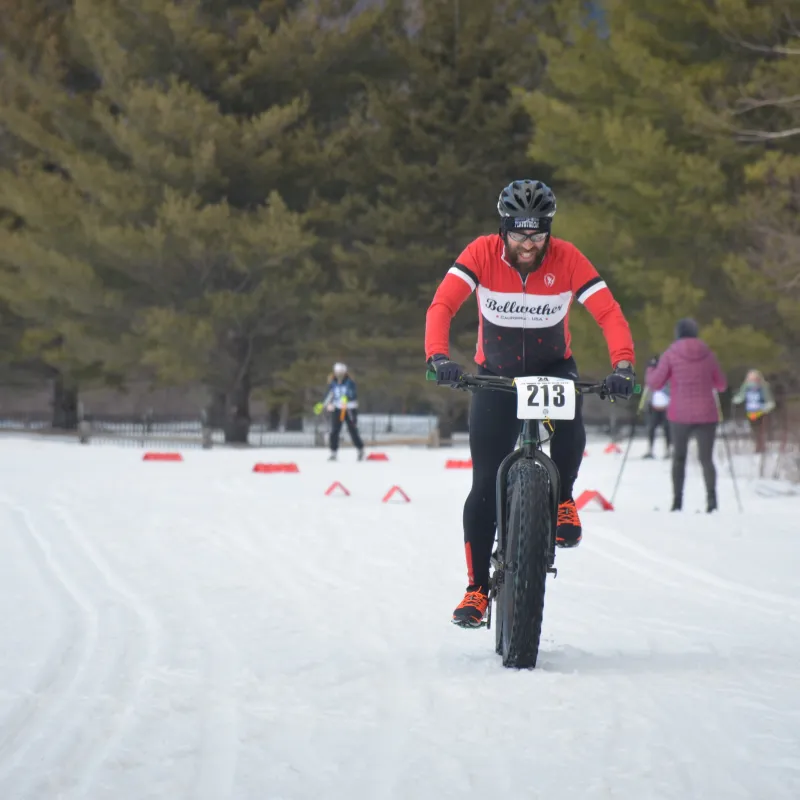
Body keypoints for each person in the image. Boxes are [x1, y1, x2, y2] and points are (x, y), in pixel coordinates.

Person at [425, 179, 636, 627]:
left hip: (553, 369)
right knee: (484, 484)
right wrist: (438, 356)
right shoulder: (480, 253)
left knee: (571, 418)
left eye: (538, 234)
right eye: (520, 235)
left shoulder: (568, 257)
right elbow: (442, 305)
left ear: (548, 230)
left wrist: (623, 366)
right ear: (504, 229)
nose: (528, 245)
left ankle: (562, 498)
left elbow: (608, 312)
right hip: (496, 375)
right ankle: (477, 589)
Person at [646, 319, 727, 513]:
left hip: (679, 414)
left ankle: (677, 502)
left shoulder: (670, 354)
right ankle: (712, 501)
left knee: (679, 458)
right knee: (706, 459)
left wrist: (650, 368)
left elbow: (655, 383)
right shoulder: (708, 355)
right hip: (707, 413)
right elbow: (722, 385)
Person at [315, 362, 365, 462]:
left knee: (352, 430)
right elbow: (329, 395)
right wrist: (322, 404)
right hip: (337, 408)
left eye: (341, 372)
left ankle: (360, 449)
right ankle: (333, 452)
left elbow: (353, 393)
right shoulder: (332, 383)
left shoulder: (350, 382)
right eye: (337, 372)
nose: (339, 374)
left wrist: (347, 398)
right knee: (334, 431)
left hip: (349, 408)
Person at [732, 369, 775, 454]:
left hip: (762, 412)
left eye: (755, 379)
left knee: (760, 430)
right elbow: (741, 396)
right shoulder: (746, 387)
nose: (753, 381)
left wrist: (766, 407)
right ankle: (758, 445)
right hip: (751, 413)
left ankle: (761, 447)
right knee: (754, 430)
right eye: (751, 379)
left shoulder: (763, 387)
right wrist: (736, 399)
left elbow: (770, 401)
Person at [640, 354, 671, 459]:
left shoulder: (667, 377)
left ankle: (668, 450)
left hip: (667, 407)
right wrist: (643, 406)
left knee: (667, 429)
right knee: (651, 429)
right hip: (653, 407)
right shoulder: (650, 377)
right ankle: (650, 450)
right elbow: (646, 391)